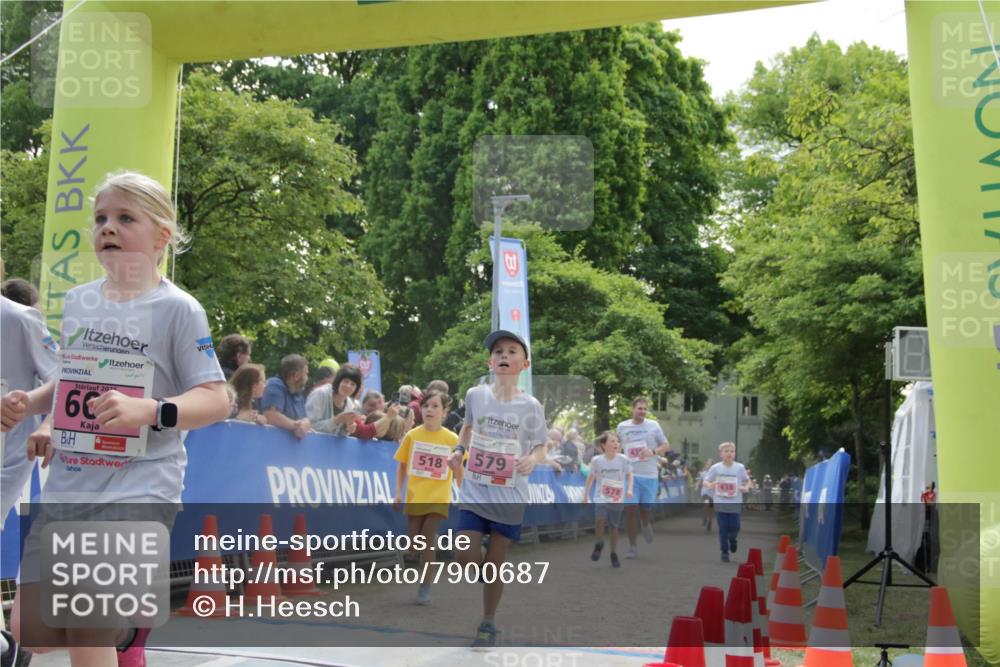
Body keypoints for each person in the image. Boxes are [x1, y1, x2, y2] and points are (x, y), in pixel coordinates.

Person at [4, 171, 230, 667]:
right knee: (31, 631)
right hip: (69, 486)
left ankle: (113, 625)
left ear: (162, 237)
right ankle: (126, 632)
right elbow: (71, 379)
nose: (108, 227)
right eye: (101, 218)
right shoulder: (81, 300)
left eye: (125, 218)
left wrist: (151, 410)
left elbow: (217, 398)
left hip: (139, 487)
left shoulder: (179, 309)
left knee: (86, 629)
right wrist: (32, 404)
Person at [448, 330, 548, 648]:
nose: (504, 355)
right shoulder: (476, 395)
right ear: (491, 361)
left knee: (496, 560)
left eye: (512, 351)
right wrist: (458, 451)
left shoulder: (531, 406)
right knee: (463, 554)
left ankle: (488, 622)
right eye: (499, 351)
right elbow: (467, 427)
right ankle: (484, 573)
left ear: (525, 363)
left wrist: (532, 459)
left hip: (510, 493)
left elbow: (542, 446)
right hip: (476, 488)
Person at [392, 390, 460, 605]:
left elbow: (459, 470)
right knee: (414, 545)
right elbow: (402, 466)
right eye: (426, 406)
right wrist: (398, 492)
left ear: (444, 411)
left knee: (427, 541)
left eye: (435, 406)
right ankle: (441, 552)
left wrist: (465, 491)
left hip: (439, 498)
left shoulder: (453, 439)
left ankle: (425, 586)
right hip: (415, 497)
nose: (429, 410)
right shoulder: (413, 436)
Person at [615, 396, 671, 559]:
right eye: (640, 408)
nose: (642, 412)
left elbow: (667, 445)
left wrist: (653, 452)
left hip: (649, 475)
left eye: (645, 409)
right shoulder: (622, 426)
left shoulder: (653, 426)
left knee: (645, 510)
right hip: (630, 475)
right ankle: (632, 547)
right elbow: (618, 446)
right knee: (630, 510)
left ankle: (646, 524)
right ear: (632, 409)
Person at [583, 431, 633, 568]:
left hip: (616, 497)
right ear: (604, 445)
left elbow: (629, 475)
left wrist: (629, 489)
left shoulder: (623, 459)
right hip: (601, 496)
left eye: (617, 441)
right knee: (599, 520)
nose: (616, 443)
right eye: (612, 441)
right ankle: (599, 544)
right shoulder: (597, 461)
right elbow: (590, 478)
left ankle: (613, 553)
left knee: (613, 527)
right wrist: (586, 495)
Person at [703, 442, 751, 562]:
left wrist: (746, 487)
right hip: (720, 503)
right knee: (723, 529)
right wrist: (711, 485)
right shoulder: (716, 468)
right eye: (726, 451)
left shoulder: (740, 467)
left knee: (735, 527)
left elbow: (748, 481)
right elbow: (706, 481)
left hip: (735, 503)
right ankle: (724, 552)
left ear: (734, 453)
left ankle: (733, 539)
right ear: (721, 454)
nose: (729, 453)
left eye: (731, 451)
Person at [260, 354, 310, 439]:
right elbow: (271, 416)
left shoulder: (298, 394)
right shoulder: (274, 385)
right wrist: (296, 426)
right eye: (306, 374)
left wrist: (306, 423)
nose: (307, 378)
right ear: (296, 376)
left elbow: (304, 419)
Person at [306, 363, 363, 437]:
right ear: (338, 381)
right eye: (345, 381)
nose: (348, 386)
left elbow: (339, 436)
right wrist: (336, 420)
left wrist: (348, 428)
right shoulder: (320, 394)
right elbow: (310, 426)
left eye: (353, 384)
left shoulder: (349, 404)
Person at [698, 459, 715, 531]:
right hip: (705, 492)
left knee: (710, 509)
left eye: (710, 465)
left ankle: (709, 521)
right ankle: (705, 517)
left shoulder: (716, 474)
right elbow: (699, 481)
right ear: (706, 465)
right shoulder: (702, 473)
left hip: (713, 493)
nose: (709, 466)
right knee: (706, 503)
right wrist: (696, 486)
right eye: (707, 464)